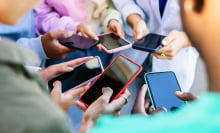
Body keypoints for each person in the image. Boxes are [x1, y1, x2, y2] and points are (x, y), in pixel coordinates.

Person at [76, 0, 220, 132]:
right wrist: (135, 18)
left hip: (174, 63)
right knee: (106, 100)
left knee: (162, 112)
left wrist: (185, 39)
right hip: (132, 50)